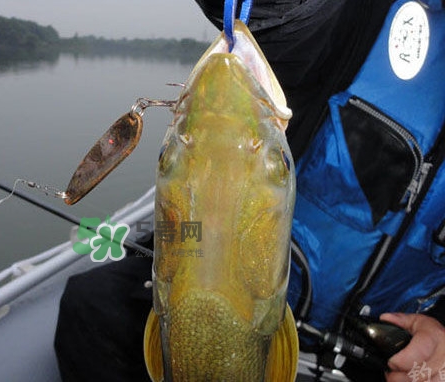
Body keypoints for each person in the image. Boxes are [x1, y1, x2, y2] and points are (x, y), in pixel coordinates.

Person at [55, 1, 445, 381]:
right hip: (232, 270)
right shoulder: (369, 15)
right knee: (92, 306)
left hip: (385, 352)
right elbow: (288, 22)